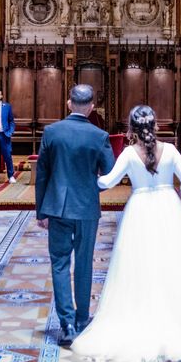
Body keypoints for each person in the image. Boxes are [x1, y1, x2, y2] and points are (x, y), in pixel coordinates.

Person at [71, 105, 181, 362]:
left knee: (139, 265)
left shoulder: (130, 153)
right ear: (155, 126)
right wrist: (176, 194)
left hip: (139, 209)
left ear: (131, 128)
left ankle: (142, 318)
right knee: (173, 263)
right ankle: (177, 319)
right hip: (168, 207)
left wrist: (87, 179)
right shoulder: (171, 150)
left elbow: (107, 182)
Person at [35, 84, 115, 347]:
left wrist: (41, 211)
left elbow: (42, 174)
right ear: (92, 107)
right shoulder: (99, 135)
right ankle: (82, 319)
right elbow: (110, 174)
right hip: (86, 208)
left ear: (68, 103)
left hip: (56, 207)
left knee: (59, 264)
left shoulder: (51, 131)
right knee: (84, 263)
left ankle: (67, 323)